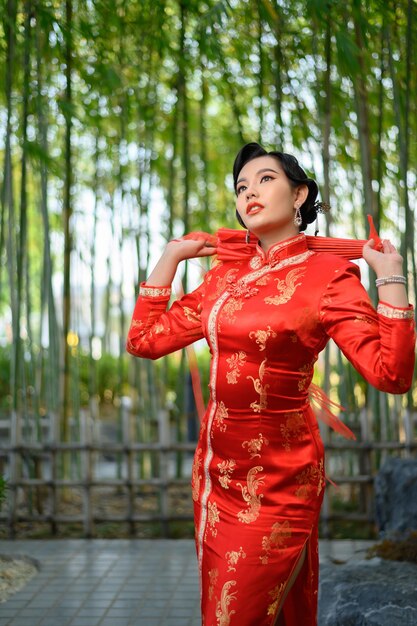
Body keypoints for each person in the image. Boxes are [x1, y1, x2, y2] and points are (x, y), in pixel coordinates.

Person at [126, 142, 415, 626]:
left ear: (299, 194)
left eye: (265, 180)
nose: (249, 193)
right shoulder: (224, 277)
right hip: (215, 476)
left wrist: (392, 280)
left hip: (279, 482)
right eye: (241, 187)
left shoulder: (329, 276)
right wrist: (170, 258)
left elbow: (392, 374)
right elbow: (144, 340)